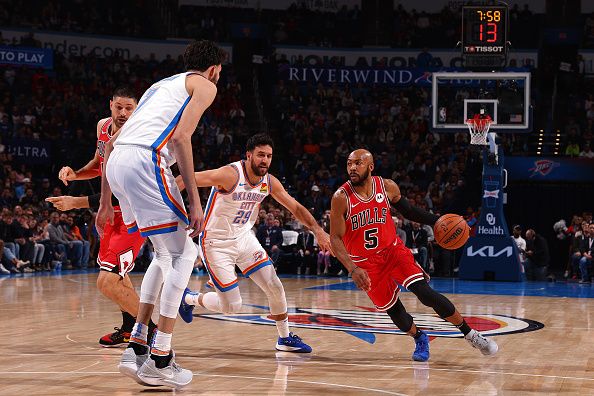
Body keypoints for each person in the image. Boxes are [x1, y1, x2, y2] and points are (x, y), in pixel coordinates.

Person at [99, 40, 225, 388]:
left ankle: (137, 345)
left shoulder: (160, 86)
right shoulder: (206, 84)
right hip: (144, 161)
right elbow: (183, 137)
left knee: (164, 254)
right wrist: (196, 202)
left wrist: (104, 202)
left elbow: (109, 144)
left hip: (119, 163)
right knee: (186, 252)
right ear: (214, 68)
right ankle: (161, 357)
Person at [329, 149, 498, 362]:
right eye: (349, 163)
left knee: (424, 292)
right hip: (366, 264)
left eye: (358, 163)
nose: (352, 168)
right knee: (394, 311)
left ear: (370, 166)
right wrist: (353, 268)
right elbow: (335, 238)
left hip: (393, 251)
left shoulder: (387, 186)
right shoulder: (341, 198)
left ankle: (470, 334)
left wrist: (436, 221)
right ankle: (419, 337)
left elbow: (408, 211)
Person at [178, 133, 332, 353]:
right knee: (232, 307)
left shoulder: (269, 182)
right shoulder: (230, 174)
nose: (265, 160)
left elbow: (295, 207)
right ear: (248, 155)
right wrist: (179, 207)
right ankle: (190, 298)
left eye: (269, 156)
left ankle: (284, 338)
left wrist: (317, 230)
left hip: (244, 238)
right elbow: (184, 179)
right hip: (216, 243)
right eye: (260, 155)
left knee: (275, 286)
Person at [47, 87, 153, 348]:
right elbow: (99, 165)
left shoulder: (139, 136)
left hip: (133, 215)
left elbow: (125, 190)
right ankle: (129, 329)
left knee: (106, 282)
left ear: (137, 109)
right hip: (110, 214)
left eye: (129, 108)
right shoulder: (103, 127)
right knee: (118, 276)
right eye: (119, 107)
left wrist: (77, 202)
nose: (123, 113)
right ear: (110, 106)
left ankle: (153, 331)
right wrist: (76, 174)